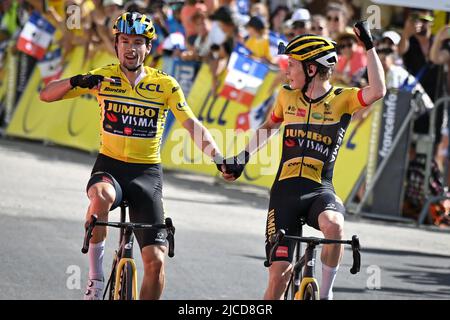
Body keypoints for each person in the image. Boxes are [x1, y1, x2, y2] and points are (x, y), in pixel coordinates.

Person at [40, 11, 223, 300]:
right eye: (125, 41)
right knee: (100, 197)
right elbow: (46, 95)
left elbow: (192, 125)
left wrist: (218, 157)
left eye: (138, 42)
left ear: (148, 48)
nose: (131, 48)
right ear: (116, 45)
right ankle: (96, 278)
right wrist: (77, 80)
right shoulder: (103, 76)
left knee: (157, 262)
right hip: (110, 167)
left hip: (146, 175)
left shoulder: (165, 85)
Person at [218, 22, 386, 300]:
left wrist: (369, 46)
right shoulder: (286, 95)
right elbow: (269, 127)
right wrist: (242, 158)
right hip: (285, 193)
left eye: (292, 65)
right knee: (278, 279)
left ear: (311, 69)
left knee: (335, 226)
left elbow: (378, 90)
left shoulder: (342, 99)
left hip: (319, 190)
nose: (286, 70)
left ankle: (326, 293)